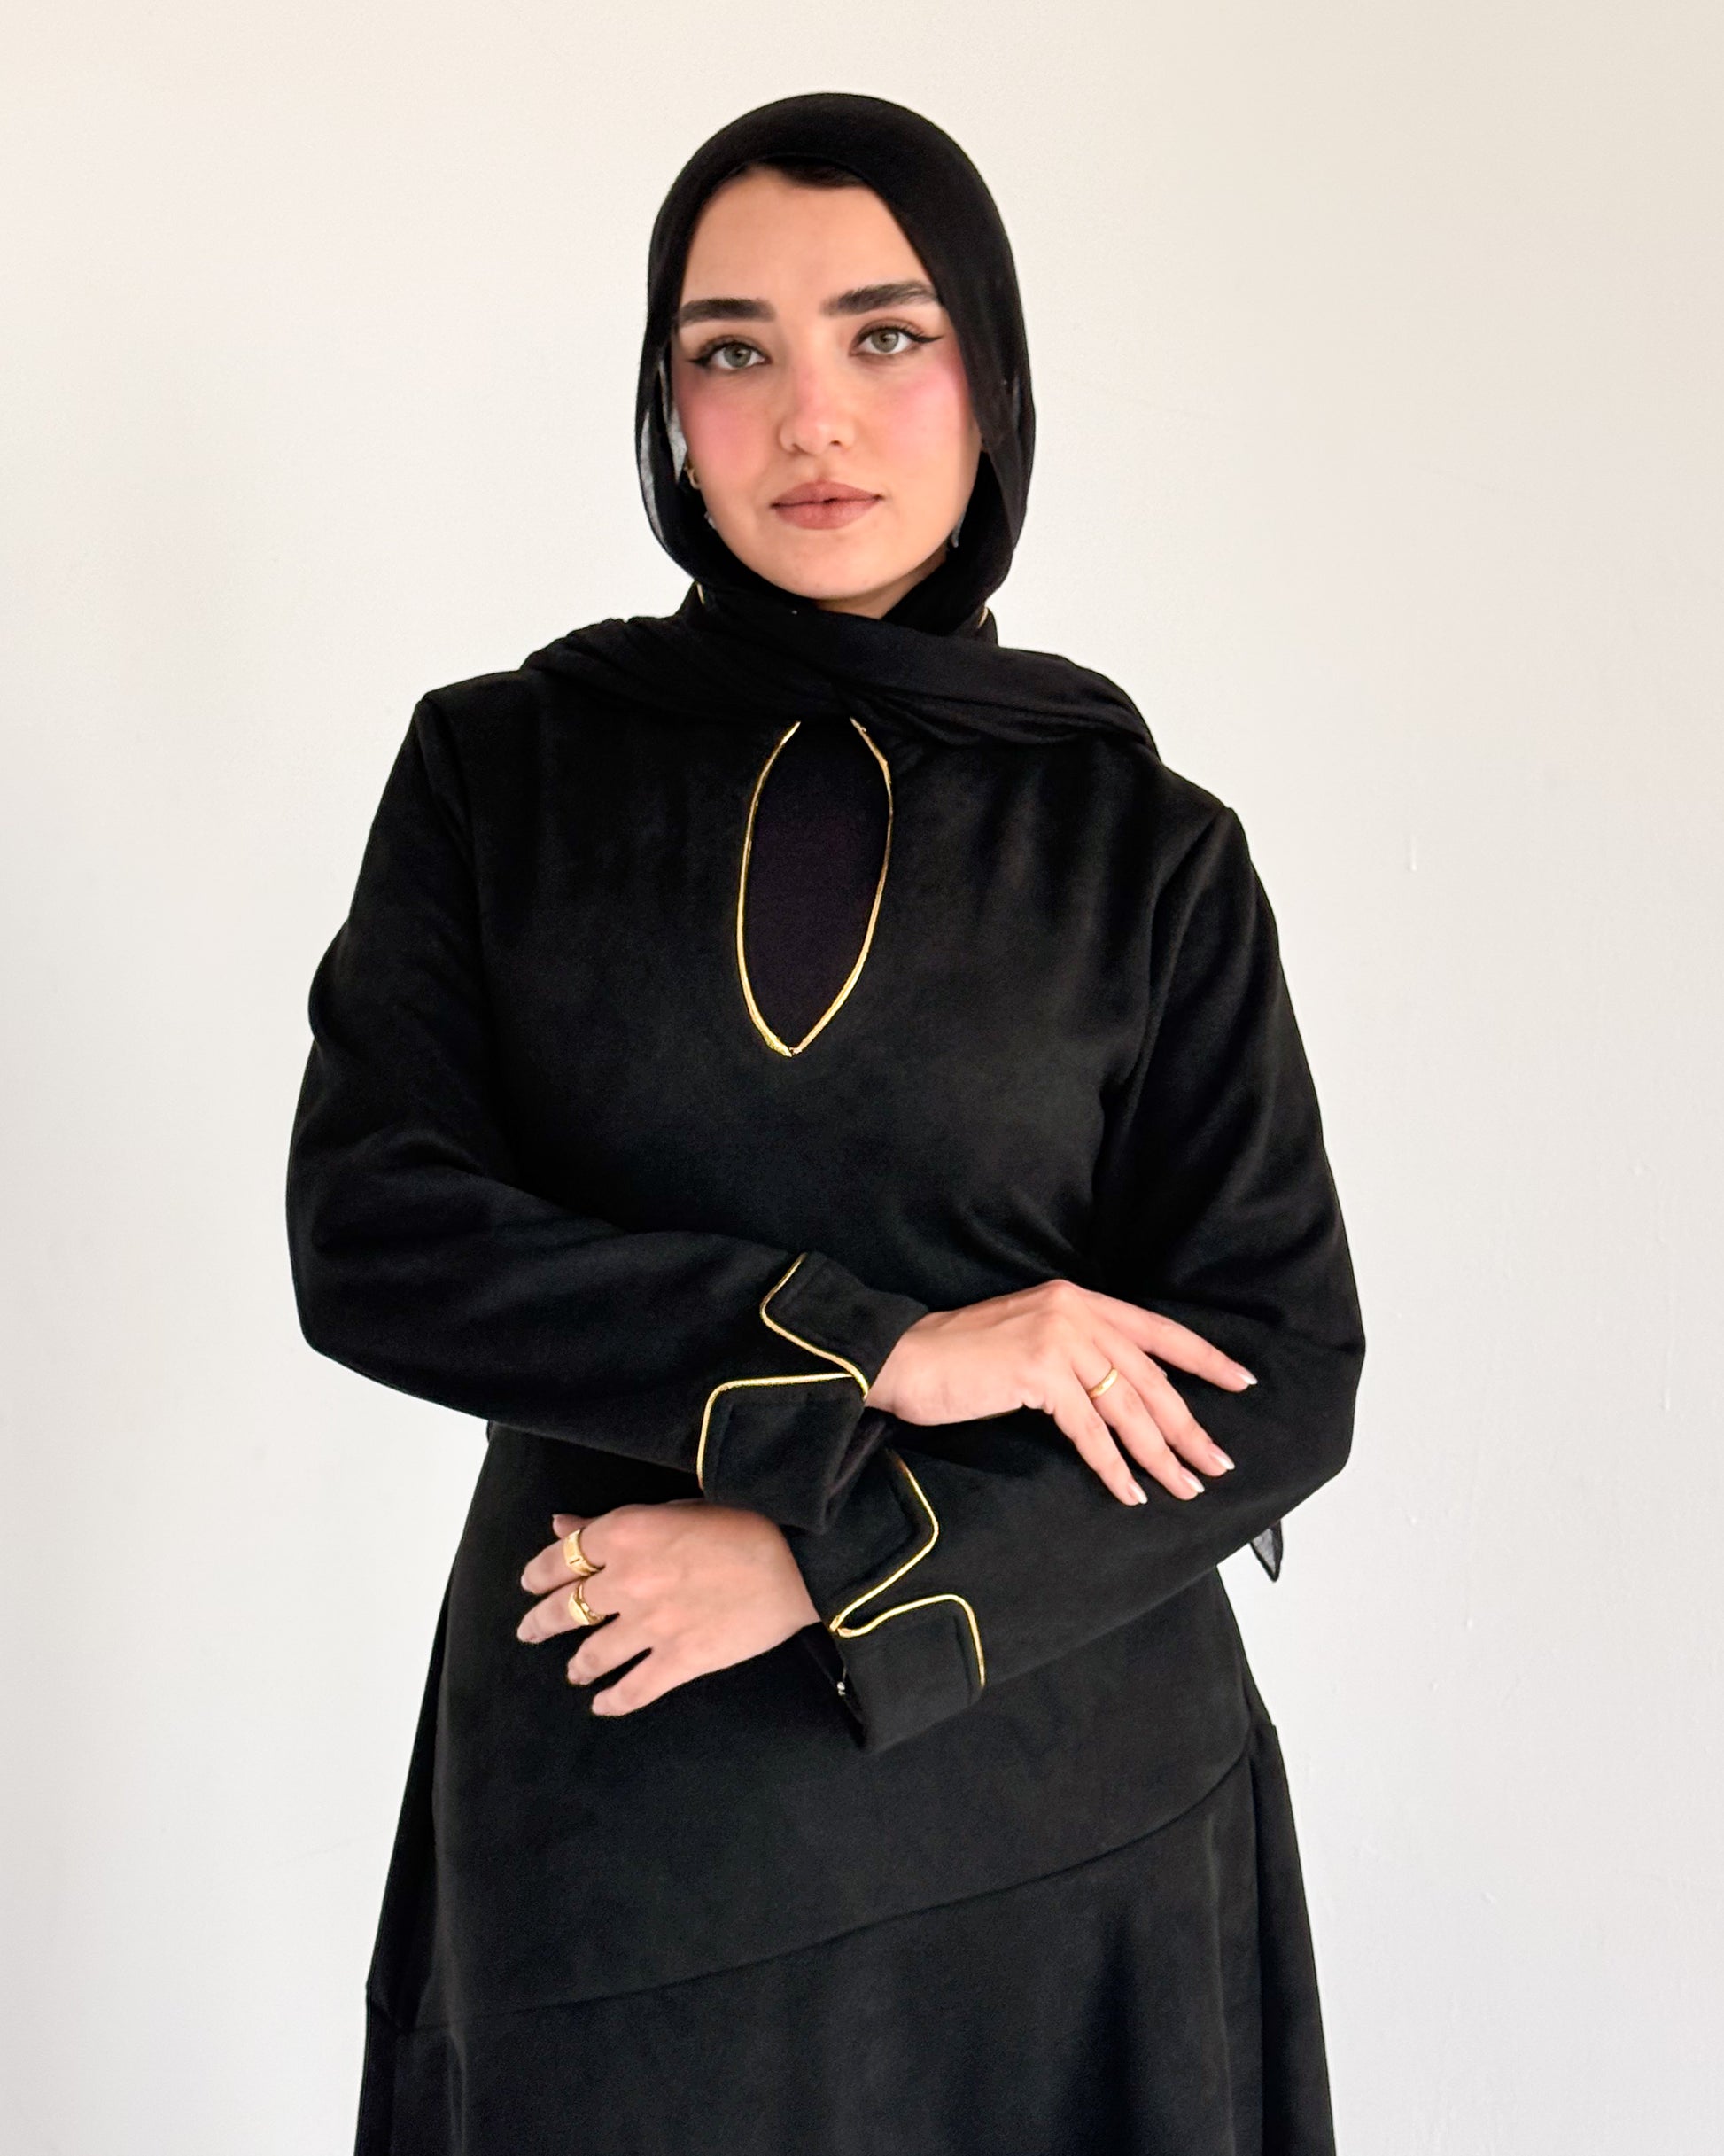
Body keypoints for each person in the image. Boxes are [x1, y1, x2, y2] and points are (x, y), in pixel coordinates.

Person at [287, 90, 1364, 2156]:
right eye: (733, 349)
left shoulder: (1140, 850)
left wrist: (823, 1559)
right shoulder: (501, 779)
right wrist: (880, 1347)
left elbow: (1278, 1365)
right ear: (666, 408)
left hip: (1061, 1819)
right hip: (626, 1818)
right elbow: (376, 1233)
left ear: (992, 376)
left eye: (885, 334)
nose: (813, 418)